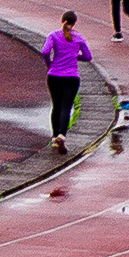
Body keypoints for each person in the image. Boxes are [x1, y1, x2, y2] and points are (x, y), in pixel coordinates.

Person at [40, 10, 92, 153]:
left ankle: (54, 136)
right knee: (66, 107)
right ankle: (62, 135)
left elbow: (45, 51)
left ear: (61, 20)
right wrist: (75, 56)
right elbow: (88, 56)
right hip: (72, 77)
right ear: (74, 23)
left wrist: (49, 63)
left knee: (56, 106)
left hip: (54, 75)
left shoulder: (53, 35)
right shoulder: (79, 38)